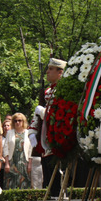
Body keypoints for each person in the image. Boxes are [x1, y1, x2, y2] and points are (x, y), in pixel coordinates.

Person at [29, 58, 65, 190]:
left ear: (60, 72)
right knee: (47, 173)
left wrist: (44, 112)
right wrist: (32, 131)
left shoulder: (64, 90)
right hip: (46, 139)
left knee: (58, 173)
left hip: (59, 137)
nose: (47, 72)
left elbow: (60, 113)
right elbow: (37, 114)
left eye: (51, 69)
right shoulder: (47, 91)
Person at [4, 112, 32, 190]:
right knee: (11, 183)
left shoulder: (28, 133)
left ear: (23, 121)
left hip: (24, 161)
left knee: (24, 183)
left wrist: (30, 163)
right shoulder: (9, 133)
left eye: (19, 120)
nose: (17, 122)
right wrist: (7, 163)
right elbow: (6, 148)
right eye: (15, 121)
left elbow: (30, 149)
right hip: (12, 161)